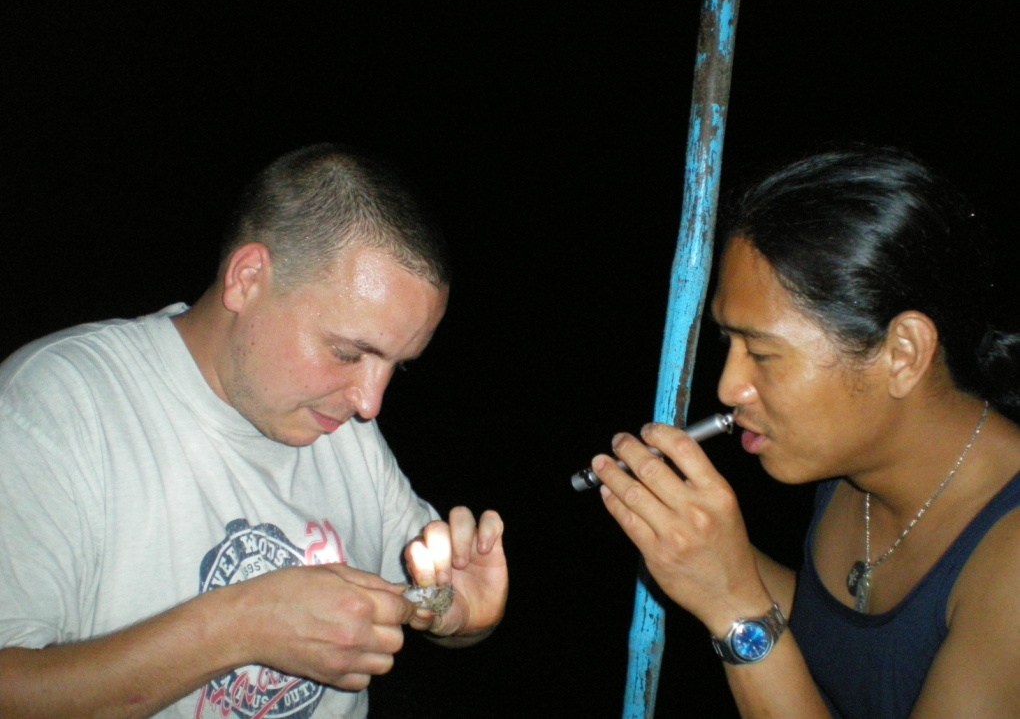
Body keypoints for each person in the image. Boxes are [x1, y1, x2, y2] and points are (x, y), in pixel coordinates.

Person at [0, 143, 509, 719]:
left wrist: (455, 610)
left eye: (397, 365)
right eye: (348, 352)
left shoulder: (342, 433)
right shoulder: (58, 406)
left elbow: (427, 599)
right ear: (247, 279)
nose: (370, 403)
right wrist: (239, 627)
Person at [591, 146, 1020, 718]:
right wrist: (691, 545)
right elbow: (853, 645)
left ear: (903, 353)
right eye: (729, 345)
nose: (728, 388)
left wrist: (735, 607)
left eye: (762, 354)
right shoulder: (853, 467)